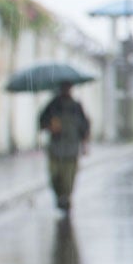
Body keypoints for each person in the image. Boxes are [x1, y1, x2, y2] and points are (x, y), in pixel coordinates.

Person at [37, 81, 90, 214]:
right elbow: (41, 122)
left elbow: (84, 127)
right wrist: (50, 126)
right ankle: (60, 197)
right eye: (64, 87)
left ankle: (65, 200)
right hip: (56, 149)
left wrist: (84, 144)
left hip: (71, 150)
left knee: (68, 179)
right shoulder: (53, 106)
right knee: (54, 176)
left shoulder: (76, 107)